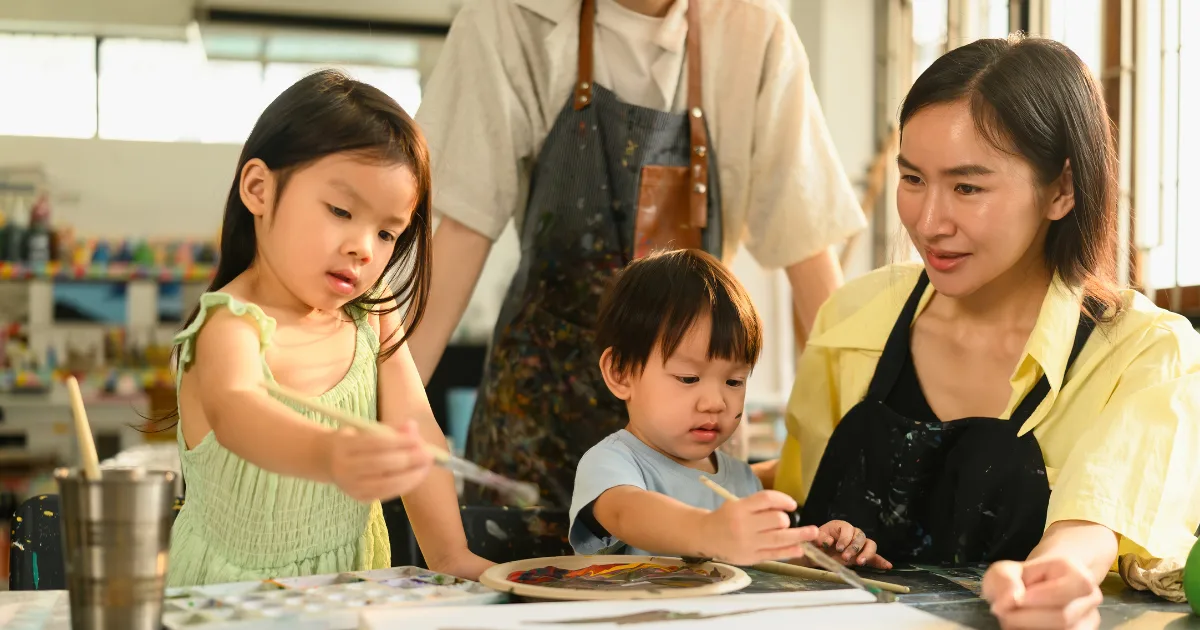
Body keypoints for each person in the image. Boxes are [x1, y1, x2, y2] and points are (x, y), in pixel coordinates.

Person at [774, 35, 1200, 629]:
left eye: (967, 187)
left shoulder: (1147, 353)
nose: (928, 223)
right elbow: (797, 509)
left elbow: (1096, 523)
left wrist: (1048, 582)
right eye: (913, 178)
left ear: (1063, 189)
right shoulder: (855, 315)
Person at [409, 0, 867, 540]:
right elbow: (463, 233)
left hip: (690, 441)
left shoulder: (754, 31)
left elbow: (807, 245)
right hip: (536, 417)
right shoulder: (511, 17)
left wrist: (867, 421)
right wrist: (387, 405)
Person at [167, 70, 492, 586]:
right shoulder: (229, 320)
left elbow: (419, 433)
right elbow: (239, 411)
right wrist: (330, 454)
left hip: (350, 587)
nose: (364, 247)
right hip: (229, 598)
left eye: (387, 232)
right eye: (341, 210)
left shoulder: (373, 315)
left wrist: (450, 556)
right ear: (259, 189)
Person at [569, 249, 891, 568]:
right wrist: (708, 531)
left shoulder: (740, 478)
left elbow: (766, 559)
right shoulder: (611, 463)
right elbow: (626, 512)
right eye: (689, 377)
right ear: (620, 372)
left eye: (734, 381)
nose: (716, 402)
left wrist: (818, 554)